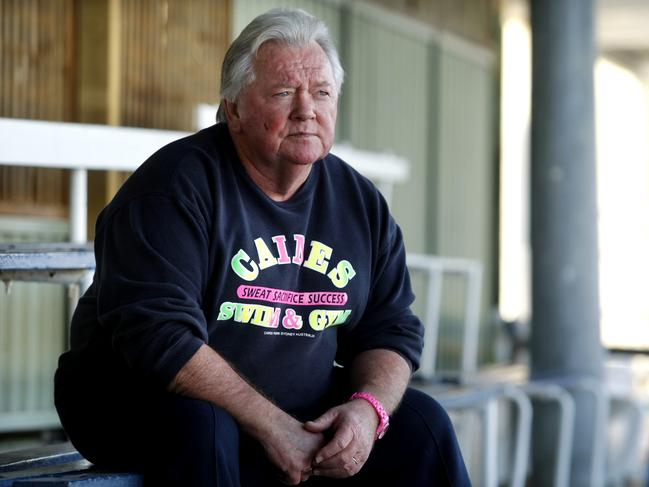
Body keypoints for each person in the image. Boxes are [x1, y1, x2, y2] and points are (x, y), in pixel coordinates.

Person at [54, 7, 471, 486]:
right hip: (135, 397)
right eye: (283, 93)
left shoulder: (360, 204)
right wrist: (273, 426)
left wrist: (366, 411)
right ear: (234, 109)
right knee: (206, 426)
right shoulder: (173, 187)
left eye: (321, 93)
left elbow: (391, 330)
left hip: (289, 403)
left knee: (422, 424)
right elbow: (159, 339)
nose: (306, 110)